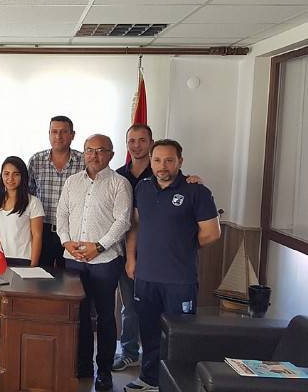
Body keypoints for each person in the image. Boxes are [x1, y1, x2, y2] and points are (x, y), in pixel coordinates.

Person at [124, 139, 221, 392]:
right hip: (146, 276)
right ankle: (149, 379)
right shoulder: (143, 188)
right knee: (149, 331)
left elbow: (212, 232)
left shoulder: (197, 191)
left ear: (180, 161)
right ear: (151, 161)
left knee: (179, 335)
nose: (162, 166)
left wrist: (183, 245)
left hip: (179, 279)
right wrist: (131, 259)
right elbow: (135, 226)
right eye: (157, 160)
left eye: (169, 160)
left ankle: (175, 384)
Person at [56, 134, 132, 391]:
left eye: (101, 150)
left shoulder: (119, 183)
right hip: (73, 259)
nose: (94, 155)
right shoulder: (72, 182)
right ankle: (83, 365)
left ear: (111, 154)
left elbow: (122, 221)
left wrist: (98, 246)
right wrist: (66, 242)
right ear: (83, 152)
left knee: (105, 317)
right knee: (79, 315)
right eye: (89, 150)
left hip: (105, 260)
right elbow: (62, 215)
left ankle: (105, 370)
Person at [112, 123, 153, 372]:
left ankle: (157, 355)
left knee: (155, 306)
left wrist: (194, 180)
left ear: (151, 143)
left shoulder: (161, 172)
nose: (136, 146)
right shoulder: (118, 175)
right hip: (123, 250)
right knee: (129, 306)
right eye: (131, 141)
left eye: (142, 140)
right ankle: (129, 353)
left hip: (156, 251)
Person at [28, 115, 85, 268]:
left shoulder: (84, 161)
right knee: (40, 276)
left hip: (72, 232)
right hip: (42, 231)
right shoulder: (36, 161)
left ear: (72, 135)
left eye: (64, 132)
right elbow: (28, 196)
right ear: (49, 134)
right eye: (54, 132)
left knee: (69, 277)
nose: (58, 136)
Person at [0, 156, 44, 266]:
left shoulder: (33, 202)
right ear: (1, 176)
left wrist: (33, 266)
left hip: (22, 259)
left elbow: (37, 236)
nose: (10, 178)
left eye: (16, 174)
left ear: (22, 176)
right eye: (6, 174)